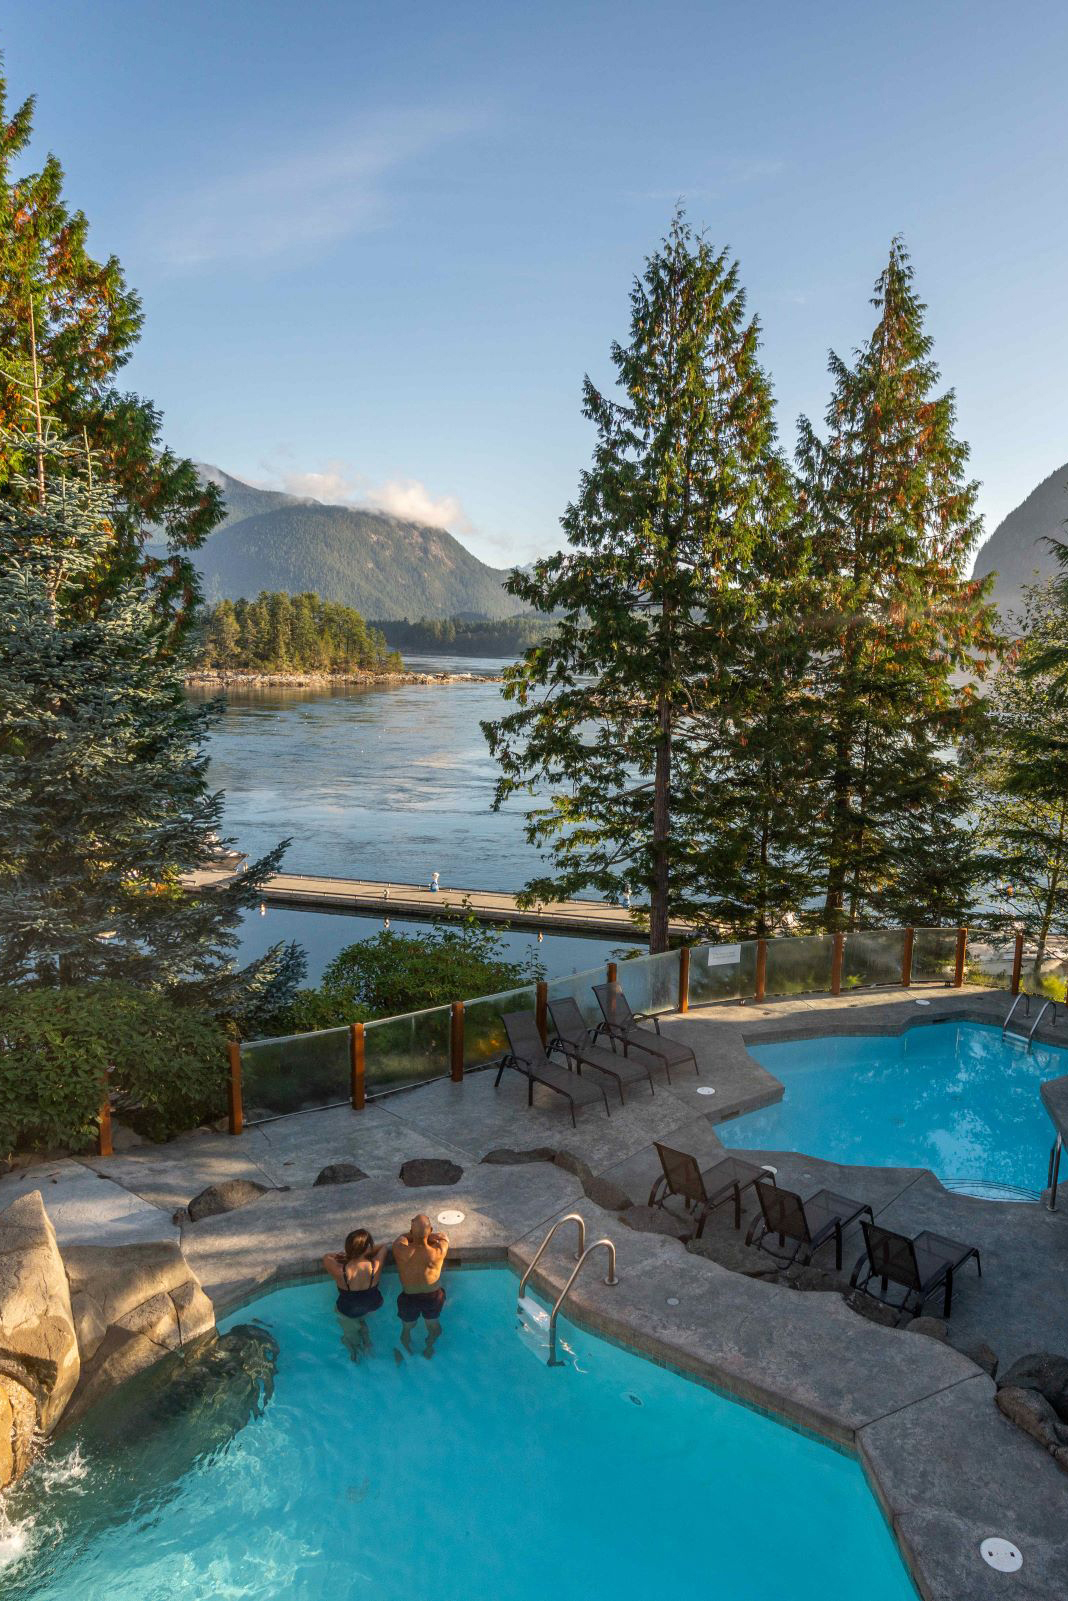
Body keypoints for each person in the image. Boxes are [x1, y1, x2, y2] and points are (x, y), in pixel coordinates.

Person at [322, 1228, 389, 1359]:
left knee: (349, 1337)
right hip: (372, 1305)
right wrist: (368, 1251)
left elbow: (326, 1257)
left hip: (349, 1310)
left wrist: (347, 1256)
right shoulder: (375, 1265)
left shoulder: (341, 1271)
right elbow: (383, 1247)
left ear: (347, 1248)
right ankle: (367, 1344)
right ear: (368, 1247)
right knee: (362, 1320)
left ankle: (354, 1356)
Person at [392, 1214, 449, 1355]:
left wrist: (414, 1233)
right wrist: (430, 1234)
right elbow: (444, 1237)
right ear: (430, 1230)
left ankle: (407, 1351)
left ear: (411, 1232)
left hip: (409, 1298)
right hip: (433, 1297)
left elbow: (401, 1237)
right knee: (433, 1326)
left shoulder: (400, 1250)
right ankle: (429, 1346)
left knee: (407, 1327)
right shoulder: (438, 1251)